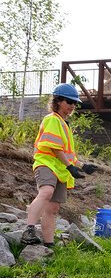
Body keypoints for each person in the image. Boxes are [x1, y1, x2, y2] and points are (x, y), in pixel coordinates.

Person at [22, 83, 97, 247]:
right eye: (69, 102)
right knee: (46, 192)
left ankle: (48, 244)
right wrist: (70, 167)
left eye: (74, 103)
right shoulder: (52, 119)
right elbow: (54, 148)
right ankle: (28, 229)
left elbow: (68, 155)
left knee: (53, 208)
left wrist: (83, 166)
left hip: (61, 169)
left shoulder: (65, 124)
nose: (72, 106)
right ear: (58, 101)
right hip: (46, 164)